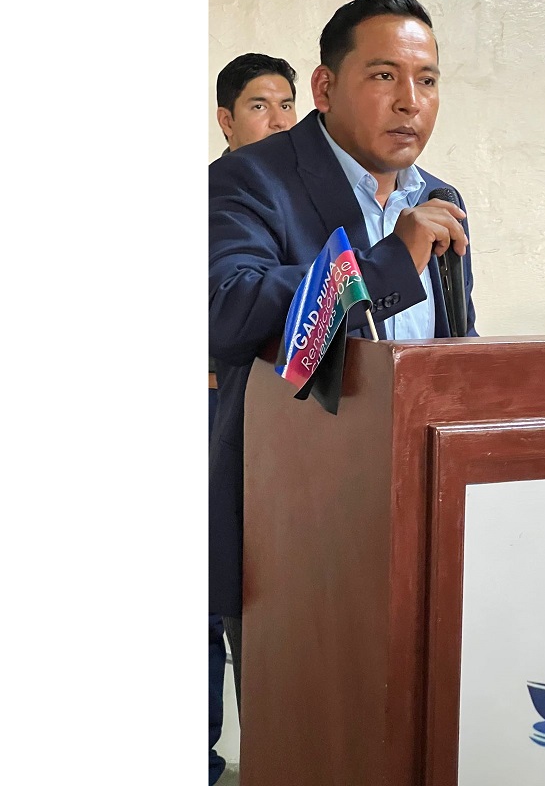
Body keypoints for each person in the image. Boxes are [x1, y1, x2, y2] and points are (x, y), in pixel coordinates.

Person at [208, 0, 478, 766]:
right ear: (325, 87)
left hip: (421, 524)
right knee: (309, 751)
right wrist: (390, 262)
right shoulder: (251, 180)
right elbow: (228, 308)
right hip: (295, 533)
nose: (410, 101)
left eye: (427, 80)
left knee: (411, 744)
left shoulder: (441, 199)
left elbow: (452, 344)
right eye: (384, 76)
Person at [209, 52, 299, 786]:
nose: (277, 119)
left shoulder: (300, 200)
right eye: (259, 106)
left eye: (286, 104)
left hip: (271, 428)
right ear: (226, 120)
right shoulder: (218, 195)